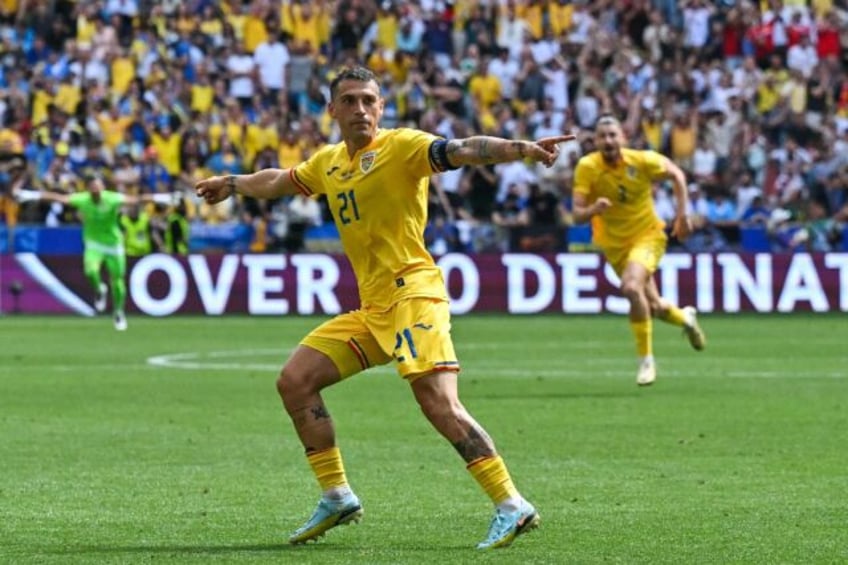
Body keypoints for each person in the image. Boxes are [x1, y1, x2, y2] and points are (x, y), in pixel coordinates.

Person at [196, 66, 573, 550]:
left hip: (414, 291)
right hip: (374, 308)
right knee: (295, 380)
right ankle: (336, 495)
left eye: (369, 100)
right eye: (349, 100)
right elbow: (280, 181)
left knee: (438, 401)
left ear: (381, 106)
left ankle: (511, 503)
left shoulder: (402, 146)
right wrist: (232, 182)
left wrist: (519, 148)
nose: (361, 109)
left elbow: (461, 149)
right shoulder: (328, 163)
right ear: (331, 110)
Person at [571, 115, 706, 386]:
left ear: (623, 137)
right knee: (653, 306)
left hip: (648, 236)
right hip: (614, 246)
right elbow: (576, 215)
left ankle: (646, 361)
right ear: (595, 141)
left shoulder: (642, 160)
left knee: (631, 287)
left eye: (613, 135)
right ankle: (686, 318)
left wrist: (682, 215)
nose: (608, 141)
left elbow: (677, 175)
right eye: (602, 136)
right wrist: (592, 210)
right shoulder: (587, 167)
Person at [16, 174, 173, 330]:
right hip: (94, 244)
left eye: (98, 187)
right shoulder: (83, 199)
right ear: (89, 189)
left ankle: (118, 312)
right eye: (93, 188)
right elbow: (58, 198)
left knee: (117, 280)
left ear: (103, 187)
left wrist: (162, 198)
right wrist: (30, 195)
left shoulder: (112, 198)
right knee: (90, 271)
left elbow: (137, 200)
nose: (96, 190)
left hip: (113, 243)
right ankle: (99, 289)